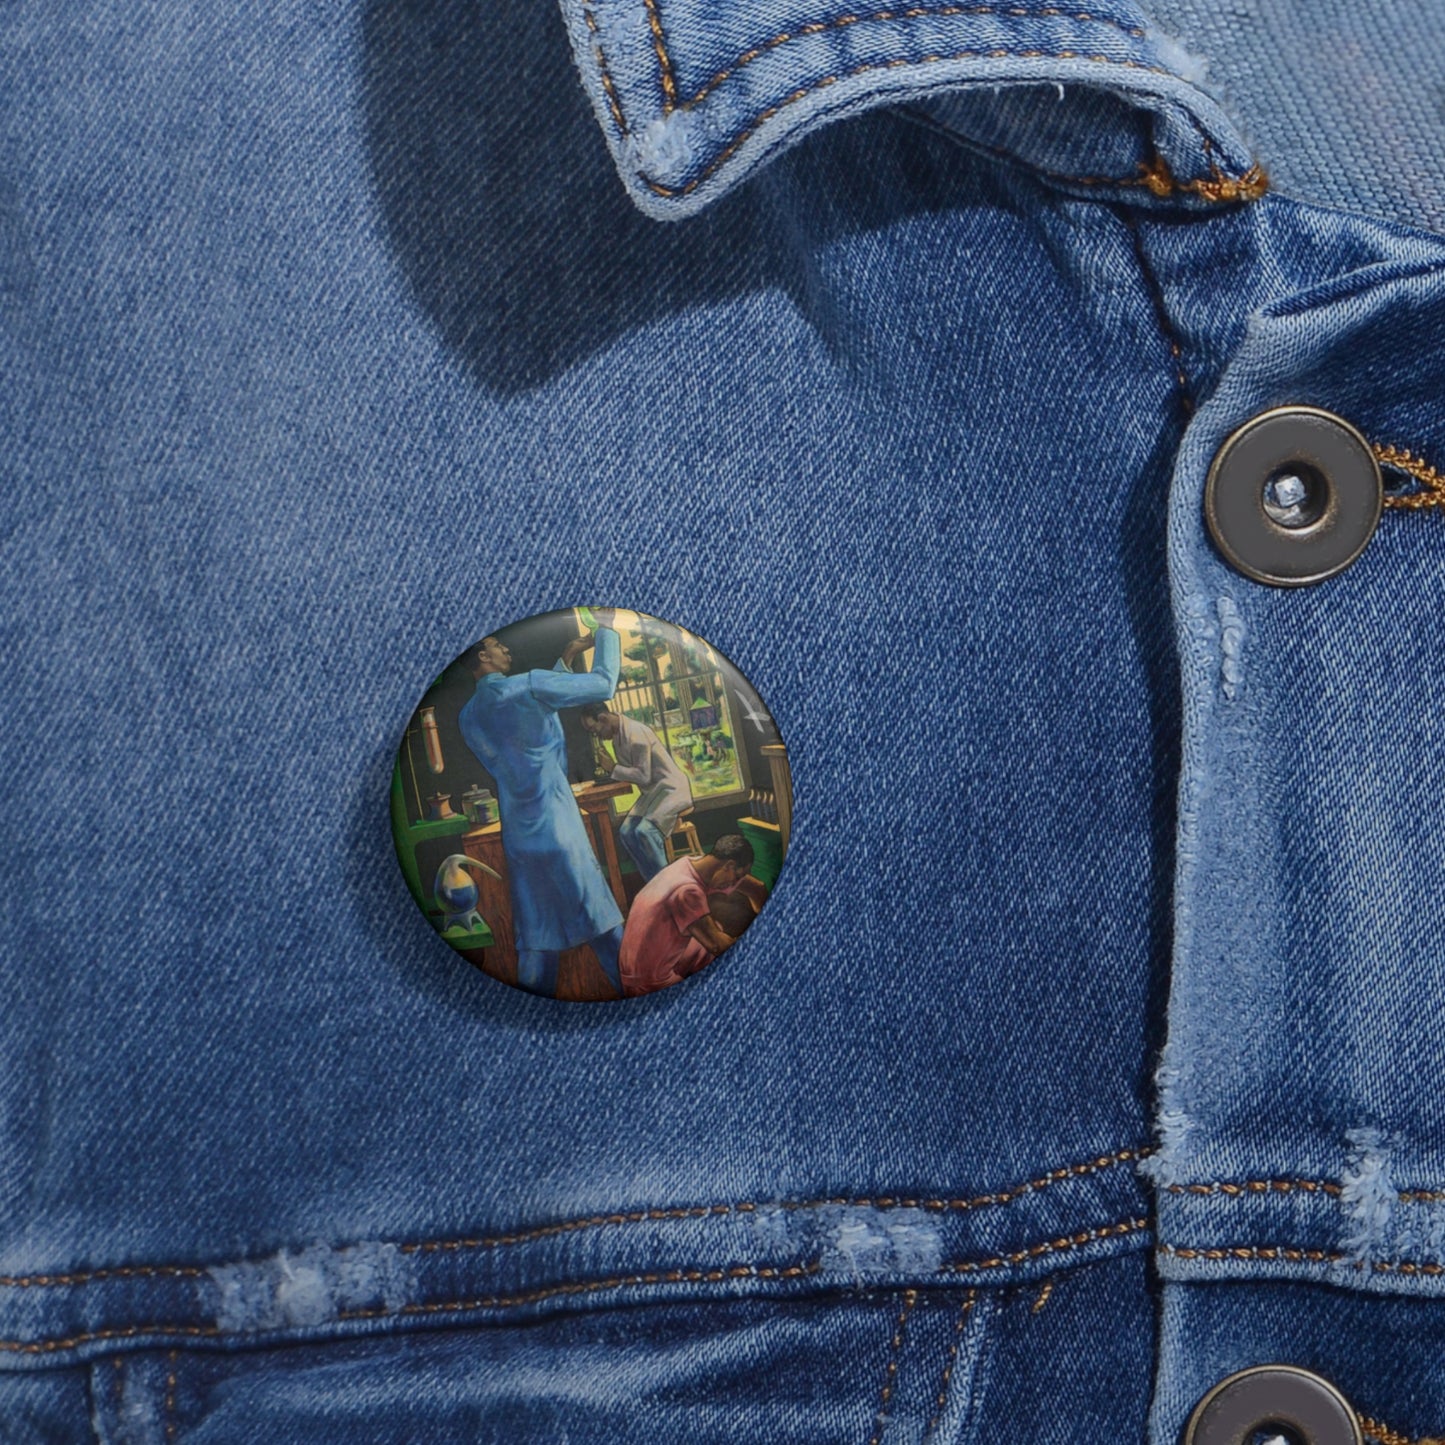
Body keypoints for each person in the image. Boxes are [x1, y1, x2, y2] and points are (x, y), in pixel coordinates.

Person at [456, 613, 624, 998]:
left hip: (521, 835)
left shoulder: (468, 716)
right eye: (498, 646)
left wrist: (564, 659)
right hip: (559, 827)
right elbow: (604, 683)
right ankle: (636, 987)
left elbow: (523, 726)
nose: (505, 648)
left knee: (537, 937)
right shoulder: (529, 685)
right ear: (482, 657)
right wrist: (607, 629)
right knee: (602, 924)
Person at [618, 835, 754, 997]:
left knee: (712, 932)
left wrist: (756, 889)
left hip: (635, 969)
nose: (733, 884)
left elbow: (755, 887)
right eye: (736, 877)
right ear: (729, 865)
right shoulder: (687, 890)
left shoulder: (687, 864)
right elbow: (718, 946)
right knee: (723, 957)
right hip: (647, 985)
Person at [578, 701, 693, 881]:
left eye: (595, 730)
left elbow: (643, 776)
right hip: (653, 793)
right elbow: (631, 773)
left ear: (603, 718)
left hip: (672, 789)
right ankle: (653, 882)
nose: (597, 736)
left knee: (645, 832)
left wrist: (613, 768)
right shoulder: (617, 736)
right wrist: (612, 769)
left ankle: (668, 884)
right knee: (626, 832)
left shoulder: (635, 733)